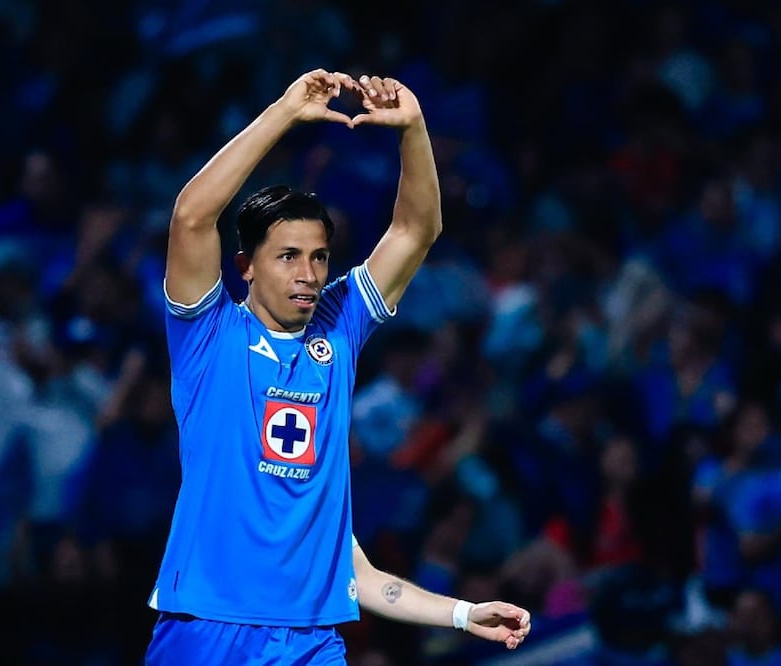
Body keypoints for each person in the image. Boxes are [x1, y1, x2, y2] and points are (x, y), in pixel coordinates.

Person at [145, 68, 532, 664]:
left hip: (312, 641)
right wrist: (284, 110)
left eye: (320, 257)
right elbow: (192, 217)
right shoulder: (209, 334)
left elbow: (416, 228)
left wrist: (413, 128)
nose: (309, 273)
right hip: (207, 628)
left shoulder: (339, 328)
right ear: (246, 265)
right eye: (289, 257)